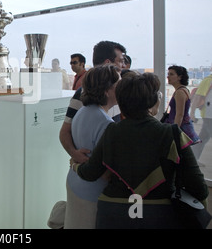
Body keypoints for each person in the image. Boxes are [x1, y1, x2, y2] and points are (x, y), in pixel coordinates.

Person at [71, 72, 209, 228]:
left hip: (113, 213)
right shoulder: (172, 134)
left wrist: (75, 164)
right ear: (153, 101)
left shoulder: (112, 131)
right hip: (159, 214)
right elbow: (198, 187)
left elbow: (90, 173)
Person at [64, 64, 121, 229]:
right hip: (92, 192)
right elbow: (105, 173)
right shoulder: (105, 122)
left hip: (75, 183)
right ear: (107, 91)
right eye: (118, 85)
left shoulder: (83, 112)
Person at [59, 40, 127, 164]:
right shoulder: (82, 93)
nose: (124, 66)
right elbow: (64, 132)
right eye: (121, 61)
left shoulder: (117, 93)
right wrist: (75, 155)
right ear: (107, 63)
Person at [164, 65, 201, 145]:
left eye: (171, 74)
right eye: (168, 74)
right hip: (182, 126)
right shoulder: (182, 90)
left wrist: (175, 132)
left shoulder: (180, 92)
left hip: (181, 128)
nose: (168, 77)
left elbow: (179, 114)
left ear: (179, 77)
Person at [190, 73, 212, 161]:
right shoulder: (208, 80)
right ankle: (192, 159)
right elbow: (197, 97)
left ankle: (193, 159)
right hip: (209, 115)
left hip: (209, 115)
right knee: (203, 137)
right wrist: (192, 113)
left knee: (203, 138)